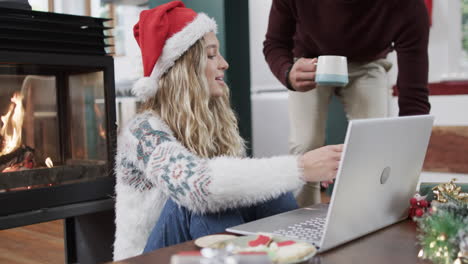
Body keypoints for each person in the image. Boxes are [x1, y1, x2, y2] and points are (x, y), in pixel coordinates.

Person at [113, 1, 343, 260]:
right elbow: (199, 187)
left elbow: (240, 186)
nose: (224, 63)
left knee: (268, 192)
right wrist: (300, 168)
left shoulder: (212, 122)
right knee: (205, 203)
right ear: (183, 67)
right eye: (211, 55)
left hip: (188, 251)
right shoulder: (141, 131)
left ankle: (300, 255)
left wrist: (304, 172)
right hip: (145, 258)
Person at [263, 0, 431, 207]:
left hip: (368, 63)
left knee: (373, 145)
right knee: (305, 143)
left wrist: (407, 157)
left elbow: (413, 95)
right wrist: (288, 73)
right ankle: (300, 218)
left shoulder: (407, 6)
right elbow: (275, 42)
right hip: (310, 60)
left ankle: (366, 212)